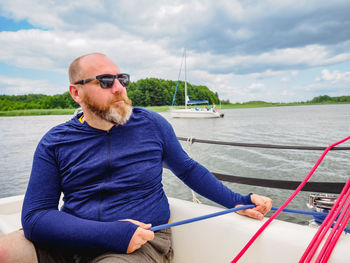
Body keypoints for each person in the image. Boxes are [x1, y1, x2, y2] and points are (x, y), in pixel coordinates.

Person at [0, 53, 272, 263]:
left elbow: (188, 170)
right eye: (106, 81)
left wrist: (238, 201)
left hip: (142, 241)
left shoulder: (152, 124)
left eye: (122, 79)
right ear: (76, 92)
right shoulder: (55, 142)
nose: (119, 88)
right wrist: (108, 233)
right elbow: (35, 218)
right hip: (73, 240)